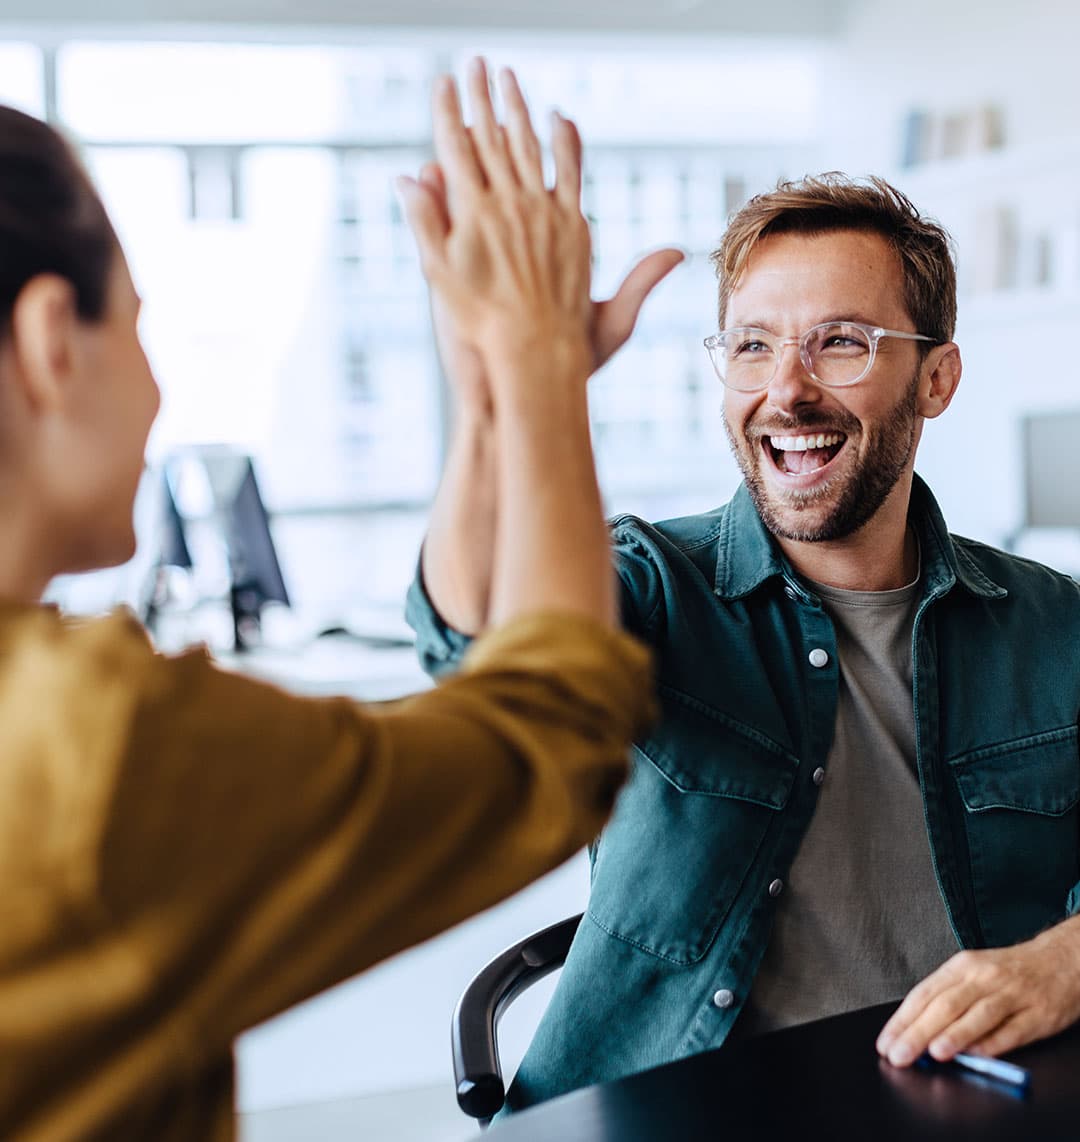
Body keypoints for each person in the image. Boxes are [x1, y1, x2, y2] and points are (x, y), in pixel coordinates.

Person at [0, 60, 656, 1141]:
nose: (159, 387)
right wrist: (536, 362)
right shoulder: (86, 744)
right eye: (137, 325)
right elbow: (550, 731)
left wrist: (501, 395)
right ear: (48, 343)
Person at [408, 170, 1080, 1114]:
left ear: (937, 379)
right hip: (663, 1111)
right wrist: (499, 392)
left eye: (841, 343)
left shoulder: (1058, 628)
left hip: (952, 1107)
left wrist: (1067, 957)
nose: (787, 391)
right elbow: (472, 634)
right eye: (754, 346)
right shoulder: (651, 585)